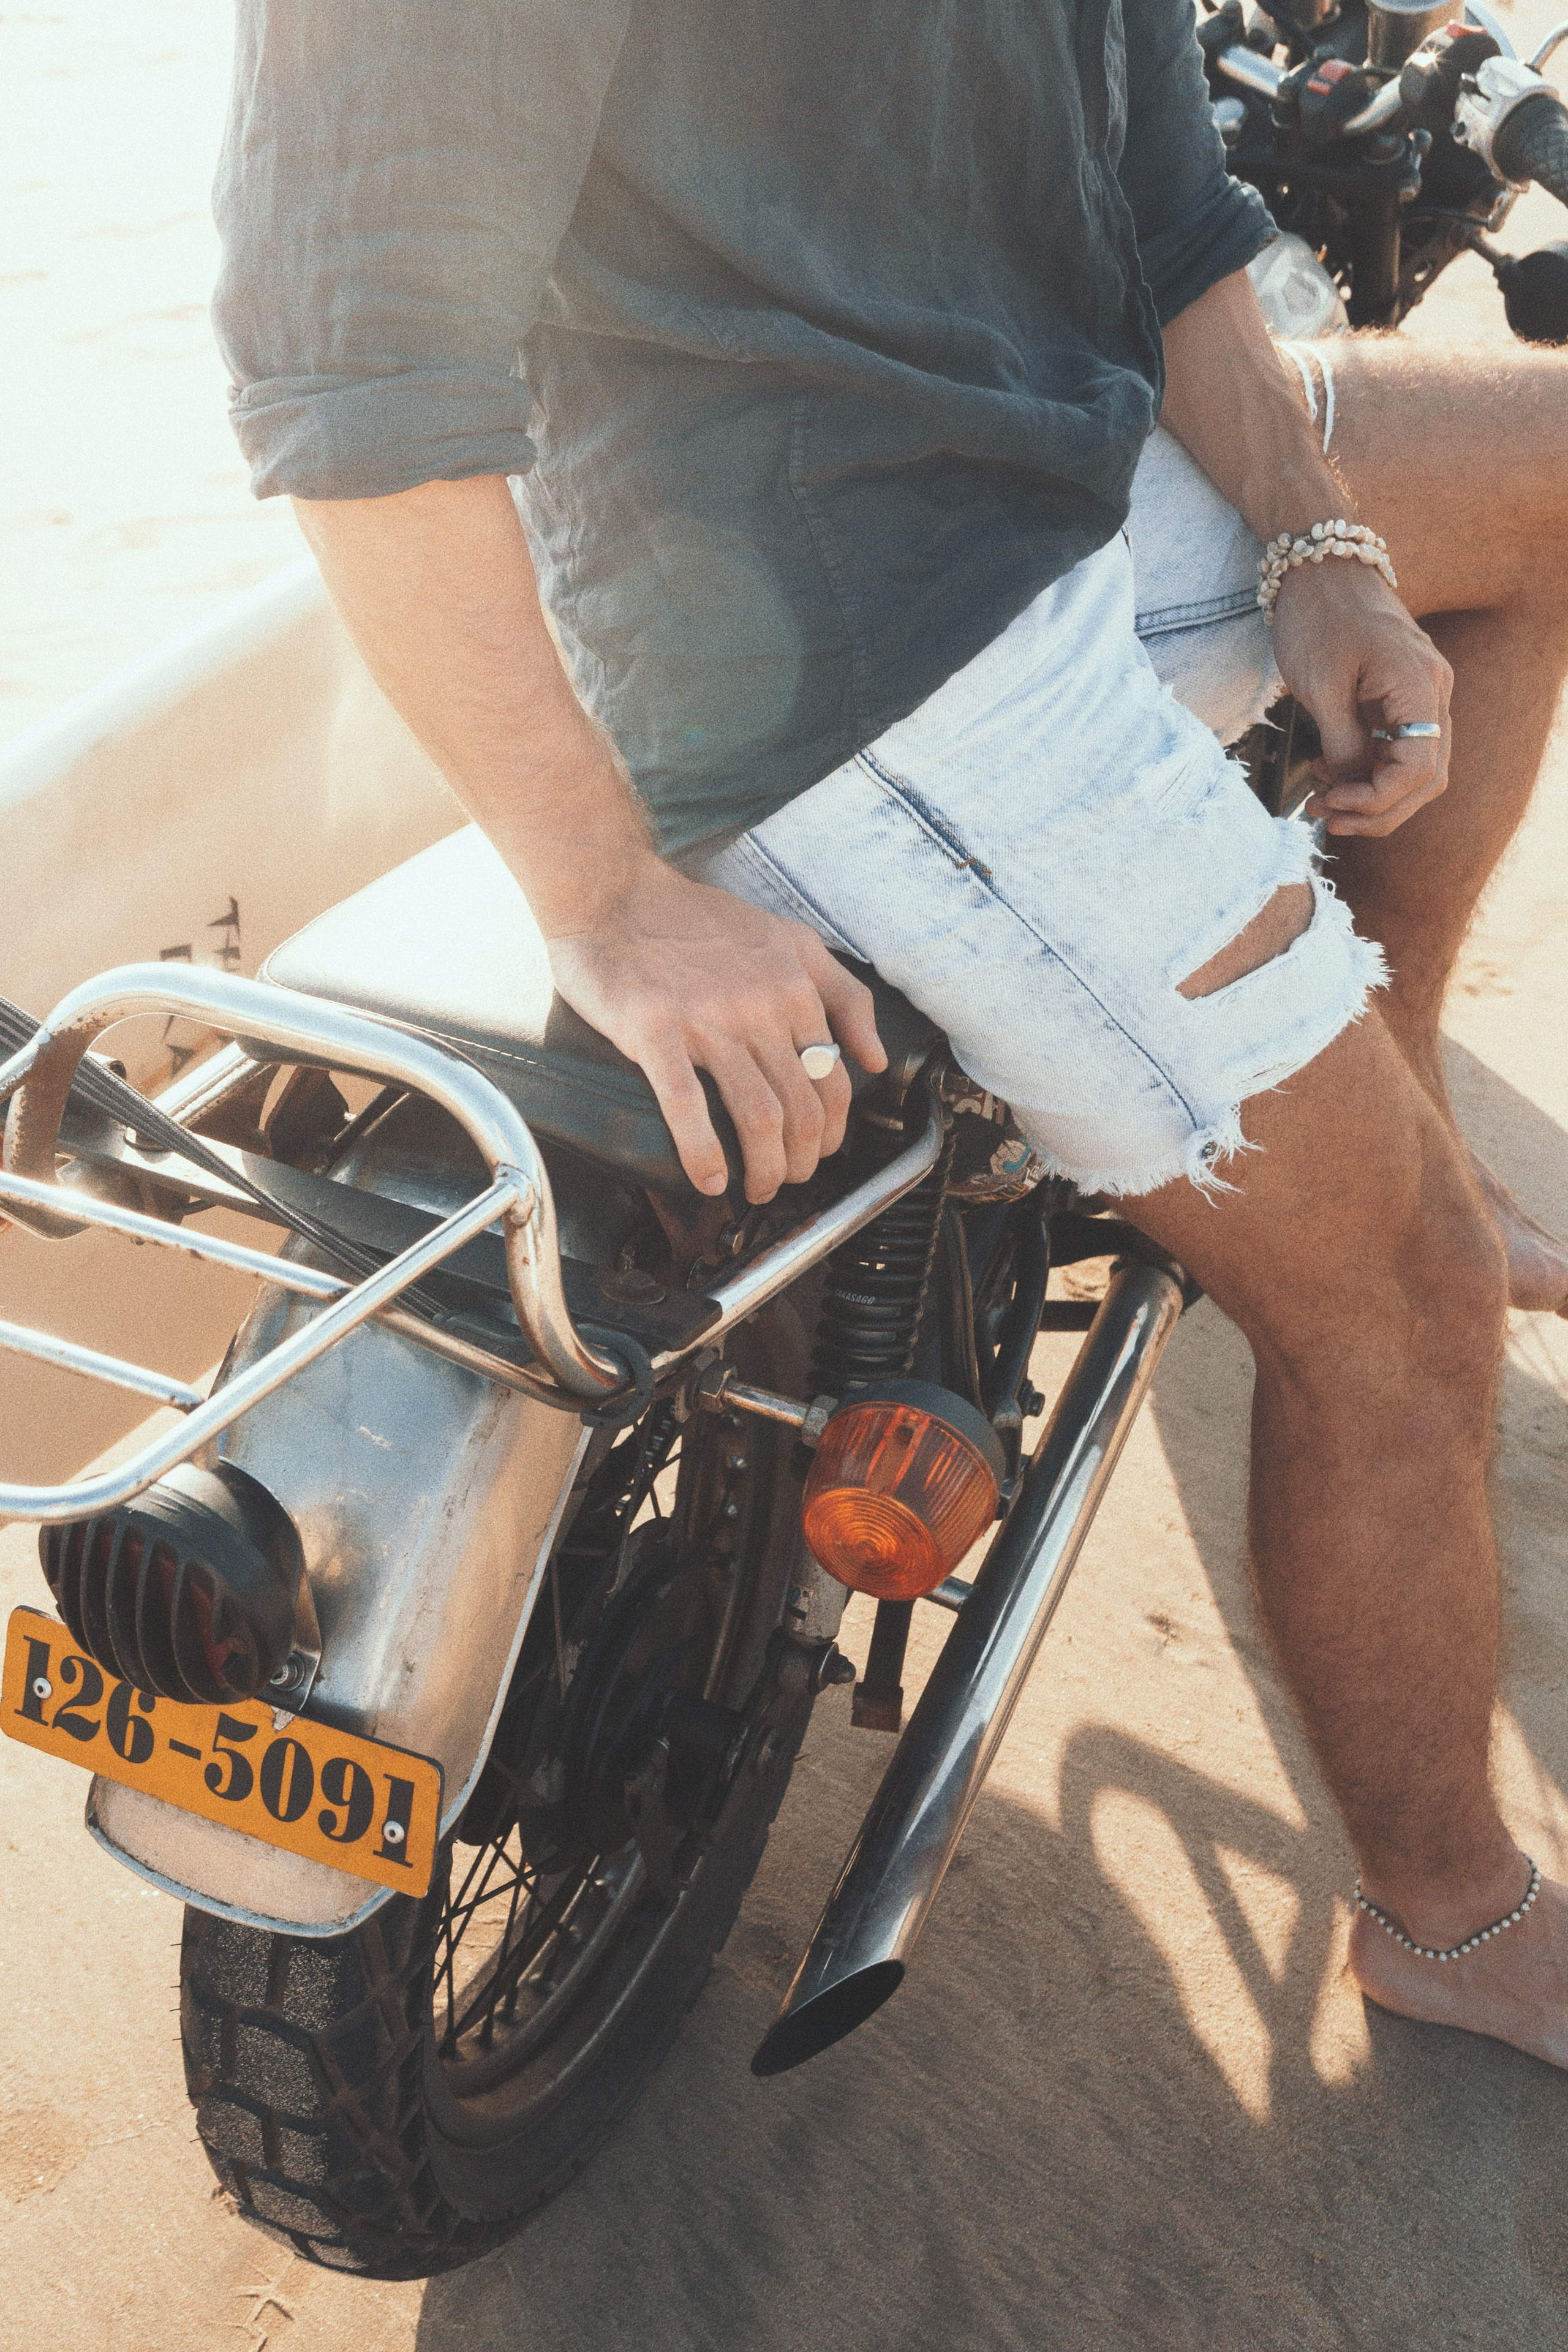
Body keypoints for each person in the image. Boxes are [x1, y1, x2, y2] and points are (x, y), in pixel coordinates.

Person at [213, 0, 1568, 2064]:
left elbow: (1171, 212)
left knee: (1544, 475)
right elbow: (349, 366)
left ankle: (1382, 1078)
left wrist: (1316, 548)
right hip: (835, 634)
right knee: (1403, 1303)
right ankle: (1454, 1924)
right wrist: (607, 896)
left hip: (1050, 466)